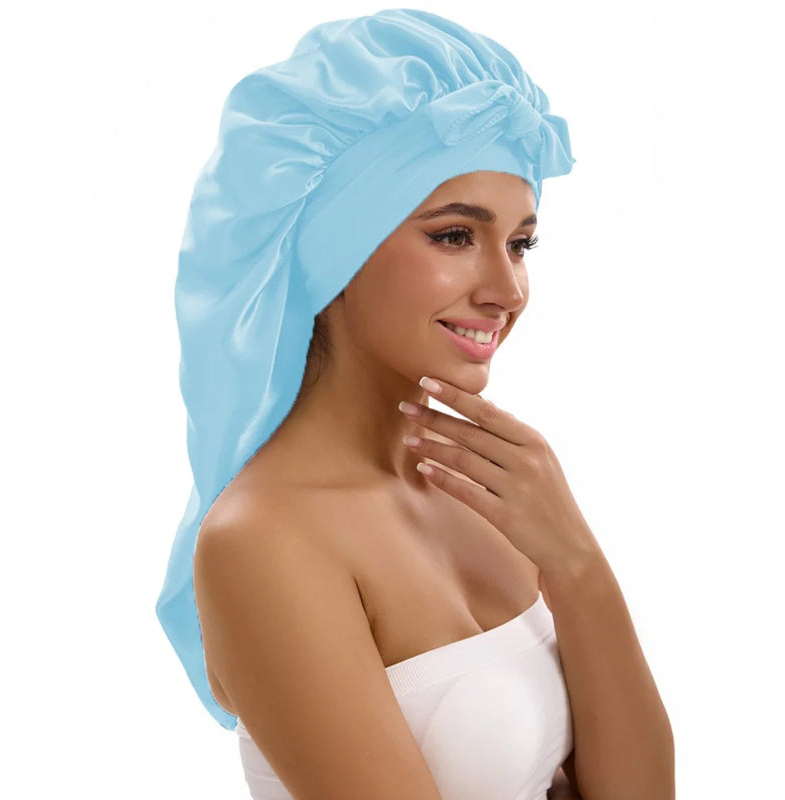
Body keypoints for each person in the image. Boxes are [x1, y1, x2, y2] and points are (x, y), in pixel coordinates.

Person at [156, 8, 674, 800]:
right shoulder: (263, 540)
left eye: (520, 244)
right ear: (334, 247)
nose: (507, 290)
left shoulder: (488, 489)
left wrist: (577, 561)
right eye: (455, 236)